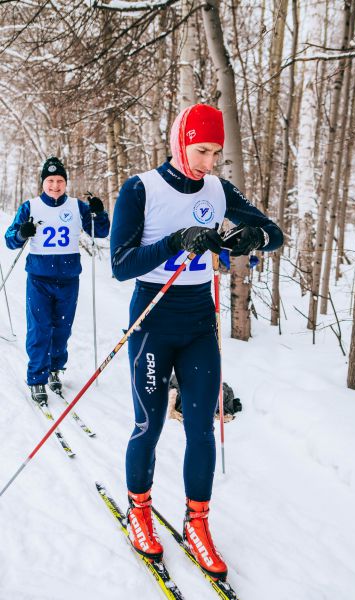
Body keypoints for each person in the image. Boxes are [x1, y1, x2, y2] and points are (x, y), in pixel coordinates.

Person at [110, 104, 283, 580]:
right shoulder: (141, 188)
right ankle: (139, 510)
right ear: (180, 141)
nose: (209, 162)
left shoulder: (218, 188)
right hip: (152, 318)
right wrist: (174, 241)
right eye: (201, 150)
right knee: (149, 424)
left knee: (201, 427)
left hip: (199, 325)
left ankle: (197, 522)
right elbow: (121, 265)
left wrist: (249, 239)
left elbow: (274, 234)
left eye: (216, 153)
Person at [5, 157, 110, 406]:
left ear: (66, 183)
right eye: (50, 181)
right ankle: (37, 379)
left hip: (68, 279)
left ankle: (55, 368)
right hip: (39, 279)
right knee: (40, 328)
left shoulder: (76, 207)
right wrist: (22, 232)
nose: (55, 185)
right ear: (43, 183)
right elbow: (10, 239)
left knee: (62, 329)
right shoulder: (30, 206)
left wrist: (99, 212)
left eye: (60, 181)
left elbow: (101, 231)